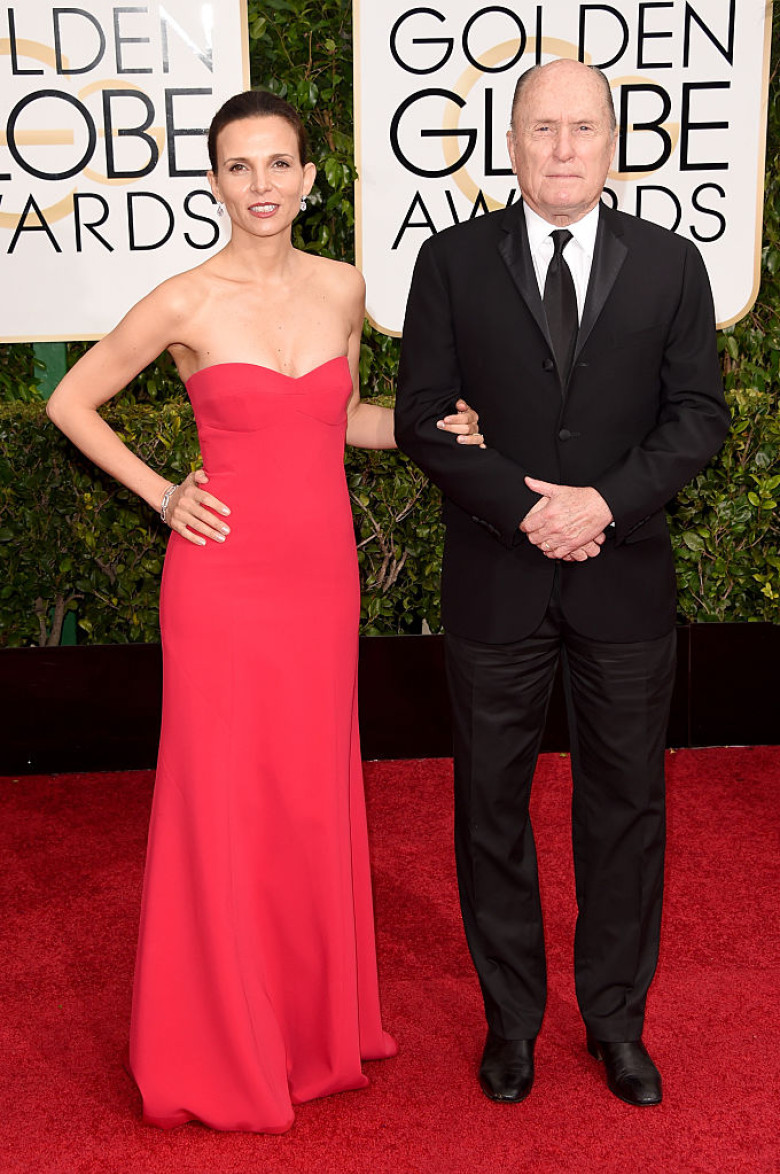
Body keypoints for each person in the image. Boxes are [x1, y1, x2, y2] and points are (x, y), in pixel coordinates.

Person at [46, 89, 483, 1133]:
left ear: (310, 180)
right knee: (225, 801)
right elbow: (71, 400)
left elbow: (342, 422)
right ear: (212, 180)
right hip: (222, 583)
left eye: (278, 165)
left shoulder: (342, 289)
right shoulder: (184, 300)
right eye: (238, 168)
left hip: (319, 579)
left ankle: (307, 1021)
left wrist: (437, 428)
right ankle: (221, 1037)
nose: (260, 187)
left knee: (305, 793)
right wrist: (162, 494)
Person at [395, 59, 729, 1108]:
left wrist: (603, 504)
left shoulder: (673, 266)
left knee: (625, 808)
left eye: (583, 128)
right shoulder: (449, 262)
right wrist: (528, 503)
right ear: (512, 141)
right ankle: (513, 1023)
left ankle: (617, 1022)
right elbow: (419, 414)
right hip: (497, 577)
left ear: (614, 143)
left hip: (622, 580)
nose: (563, 149)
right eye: (544, 129)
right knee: (489, 807)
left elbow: (698, 419)